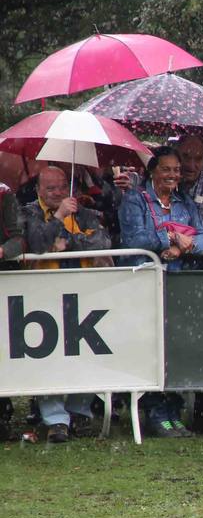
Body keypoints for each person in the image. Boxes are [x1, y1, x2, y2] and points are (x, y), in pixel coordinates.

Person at [119, 146, 203, 437]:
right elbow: (134, 238)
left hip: (180, 285)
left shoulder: (185, 202)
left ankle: (173, 411)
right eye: (166, 169)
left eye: (176, 169)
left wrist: (186, 246)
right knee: (151, 348)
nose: (173, 175)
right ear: (152, 171)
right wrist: (169, 237)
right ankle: (155, 412)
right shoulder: (134, 200)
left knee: (175, 350)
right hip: (144, 286)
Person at [20, 166, 113, 443]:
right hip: (44, 296)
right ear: (38, 190)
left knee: (84, 352)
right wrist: (59, 217)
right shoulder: (28, 213)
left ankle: (79, 410)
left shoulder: (86, 213)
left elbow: (101, 243)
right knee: (47, 355)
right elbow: (37, 243)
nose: (59, 193)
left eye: (62, 187)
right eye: (51, 189)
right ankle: (55, 419)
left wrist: (67, 241)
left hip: (84, 294)